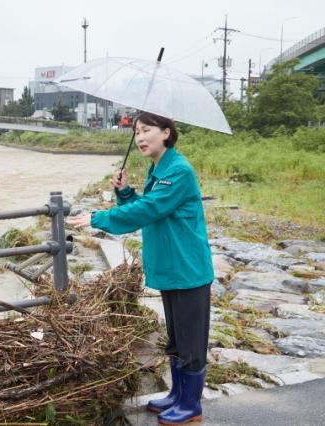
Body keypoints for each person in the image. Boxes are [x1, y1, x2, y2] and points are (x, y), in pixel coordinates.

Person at [67, 112, 213, 425]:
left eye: (147, 130)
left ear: (166, 133)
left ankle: (191, 405)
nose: (140, 138)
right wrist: (124, 192)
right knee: (176, 338)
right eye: (136, 133)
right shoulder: (159, 168)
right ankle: (177, 395)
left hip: (188, 269)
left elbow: (150, 209)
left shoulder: (178, 171)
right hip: (172, 268)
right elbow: (150, 206)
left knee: (190, 341)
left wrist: (99, 218)